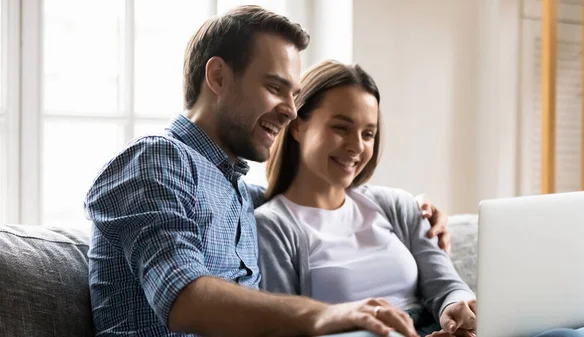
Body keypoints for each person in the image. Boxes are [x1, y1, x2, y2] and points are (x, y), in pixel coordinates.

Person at [84, 5, 450, 337]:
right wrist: (326, 315)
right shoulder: (155, 161)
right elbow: (185, 297)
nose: (291, 111)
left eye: (294, 94)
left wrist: (416, 211)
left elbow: (311, 199)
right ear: (218, 77)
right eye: (275, 88)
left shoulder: (238, 191)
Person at [254, 60, 584, 337]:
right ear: (297, 126)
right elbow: (288, 327)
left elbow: (446, 284)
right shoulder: (274, 225)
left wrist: (457, 308)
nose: (357, 146)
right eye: (341, 128)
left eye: (368, 133)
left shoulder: (396, 205)